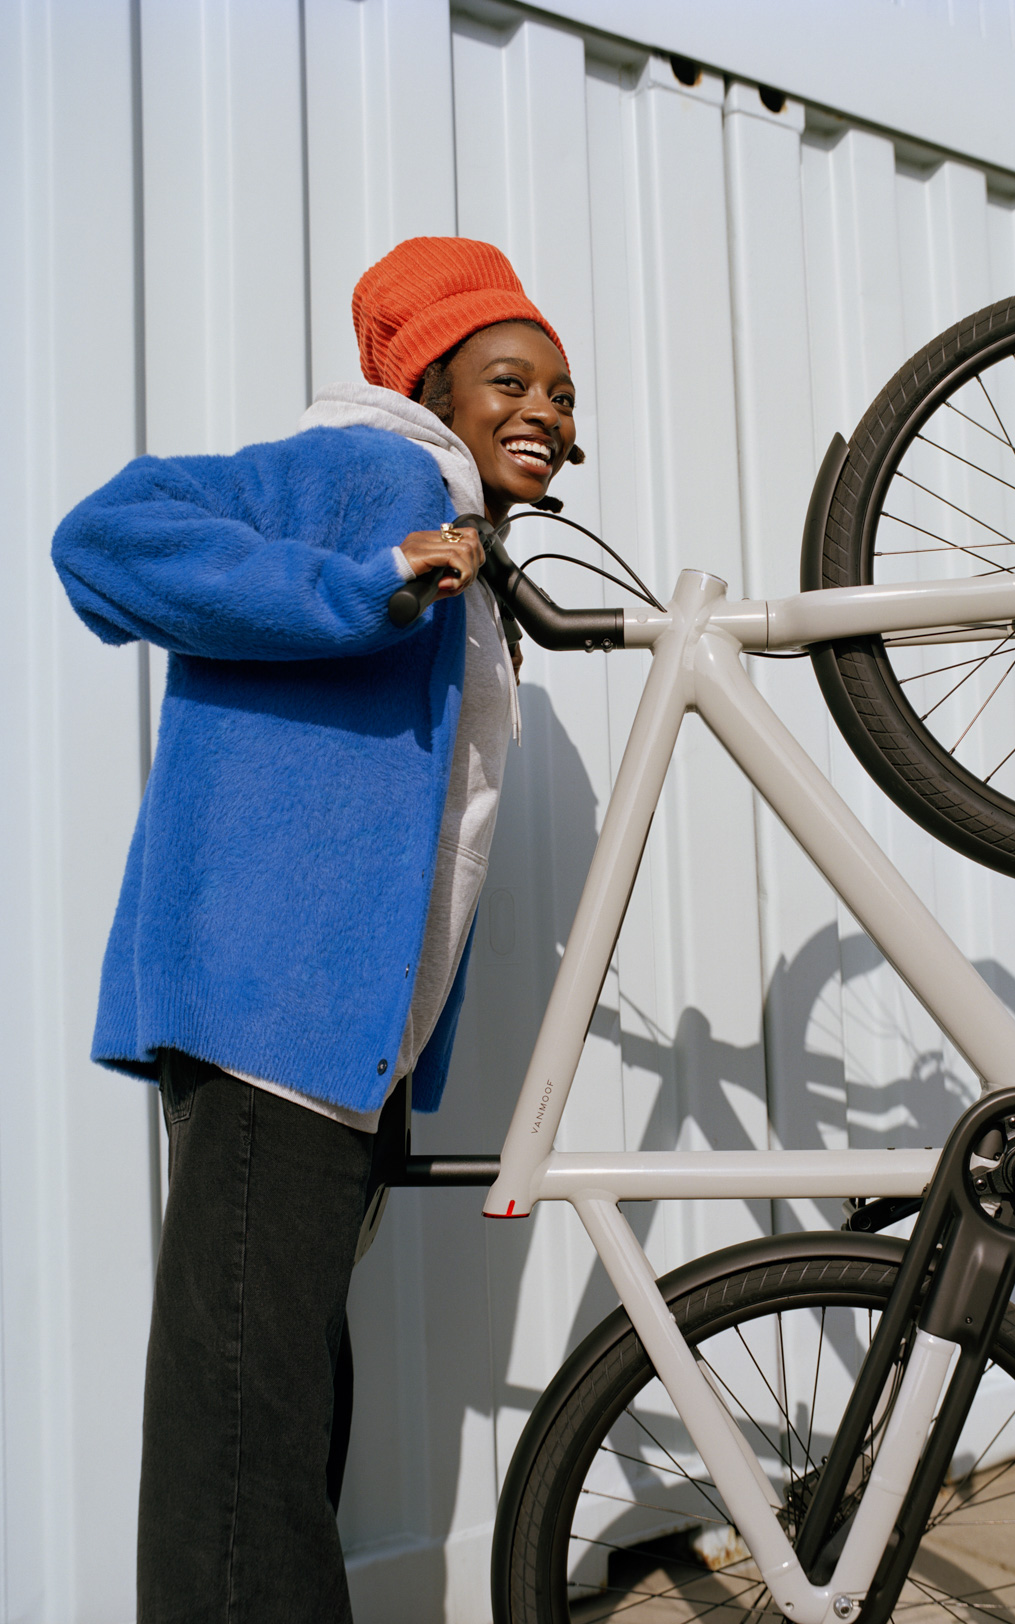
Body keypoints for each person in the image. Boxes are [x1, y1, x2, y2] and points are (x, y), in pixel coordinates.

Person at [51, 236, 578, 1623]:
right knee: (245, 1438)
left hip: (340, 1045)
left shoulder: (460, 543)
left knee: (277, 1417)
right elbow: (102, 539)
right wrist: (364, 584)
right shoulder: (364, 470)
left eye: (563, 395)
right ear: (431, 386)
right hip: (271, 1022)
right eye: (510, 379)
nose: (543, 410)